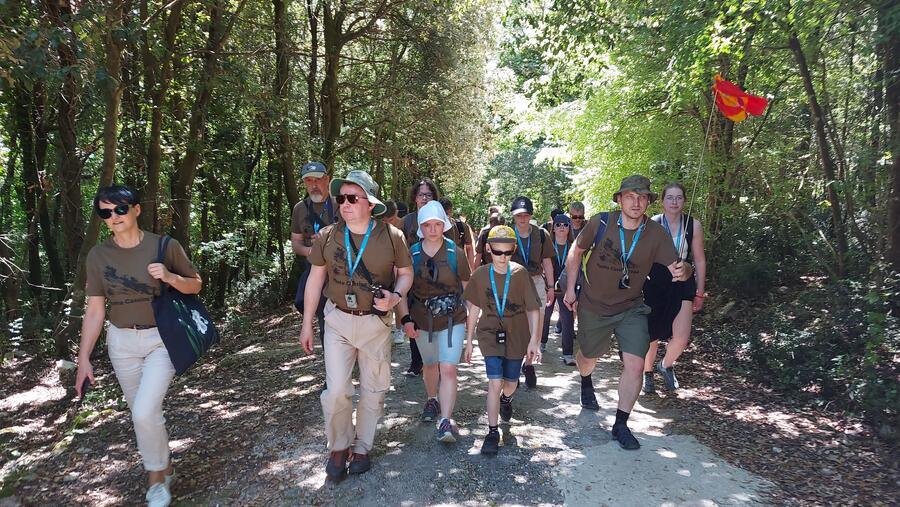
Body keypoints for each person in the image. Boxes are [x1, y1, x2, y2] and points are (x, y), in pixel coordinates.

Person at [75, 185, 202, 507]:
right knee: (141, 414)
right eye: (105, 212)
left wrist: (170, 277)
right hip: (121, 341)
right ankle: (166, 466)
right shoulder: (98, 256)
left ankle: (156, 480)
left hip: (161, 338)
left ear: (136, 209)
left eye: (119, 209)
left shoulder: (164, 246)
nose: (113, 217)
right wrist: (84, 358)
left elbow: (196, 284)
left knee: (145, 410)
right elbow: (94, 310)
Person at [561, 175, 692, 450]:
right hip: (594, 305)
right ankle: (586, 379)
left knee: (635, 363)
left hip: (631, 307)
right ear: (619, 199)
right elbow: (576, 250)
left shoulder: (655, 234)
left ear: (648, 202)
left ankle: (621, 424)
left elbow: (678, 266)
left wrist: (684, 270)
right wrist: (571, 288)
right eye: (631, 196)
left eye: (642, 197)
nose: (637, 202)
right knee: (588, 357)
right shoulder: (602, 222)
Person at [299, 170, 413, 480]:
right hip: (336, 320)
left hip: (374, 323)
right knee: (336, 390)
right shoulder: (328, 235)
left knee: (373, 389)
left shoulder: (392, 237)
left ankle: (362, 446)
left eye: (352, 198)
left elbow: (405, 273)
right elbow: (314, 280)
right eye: (341, 198)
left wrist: (395, 296)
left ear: (370, 203)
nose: (344, 204)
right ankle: (339, 445)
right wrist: (307, 323)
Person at [395, 201, 471, 443]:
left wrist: (471, 322)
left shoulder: (455, 253)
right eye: (428, 225)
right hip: (422, 319)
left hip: (453, 318)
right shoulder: (412, 254)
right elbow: (402, 290)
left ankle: (446, 420)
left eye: (438, 224)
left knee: (448, 367)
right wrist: (405, 319)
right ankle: (431, 399)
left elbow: (467, 289)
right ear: (421, 227)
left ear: (444, 225)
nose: (433, 229)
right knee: (429, 364)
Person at [462, 225, 541, 455]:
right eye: (498, 252)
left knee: (510, 382)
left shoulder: (520, 274)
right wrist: (469, 341)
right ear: (488, 249)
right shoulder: (480, 275)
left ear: (514, 250)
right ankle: (492, 431)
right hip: (489, 335)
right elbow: (474, 309)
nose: (503, 258)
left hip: (517, 335)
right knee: (494, 382)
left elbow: (533, 309)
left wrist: (534, 340)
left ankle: (507, 399)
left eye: (508, 253)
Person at [642, 183, 707, 393]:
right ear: (662, 201)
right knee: (651, 335)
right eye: (670, 198)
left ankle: (666, 365)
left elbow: (699, 259)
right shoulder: (653, 223)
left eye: (679, 198)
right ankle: (647, 373)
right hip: (656, 282)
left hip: (683, 280)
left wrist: (700, 291)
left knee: (681, 337)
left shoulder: (693, 225)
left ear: (684, 201)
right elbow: (644, 258)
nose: (674, 202)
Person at [291, 161, 338, 346]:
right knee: (323, 321)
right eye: (308, 181)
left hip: (340, 271)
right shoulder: (300, 208)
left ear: (327, 180)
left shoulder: (341, 203)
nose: (313, 185)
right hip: (315, 272)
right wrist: (311, 251)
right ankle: (332, 363)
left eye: (317, 180)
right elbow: (296, 243)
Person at [509, 196, 554, 388]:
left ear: (531, 215)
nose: (522, 218)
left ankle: (528, 364)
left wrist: (551, 286)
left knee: (535, 325)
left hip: (535, 281)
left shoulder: (541, 234)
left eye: (526, 214)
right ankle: (514, 366)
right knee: (515, 326)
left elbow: (547, 262)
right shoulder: (507, 234)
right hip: (513, 281)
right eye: (519, 215)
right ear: (513, 216)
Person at [399, 178, 441, 377]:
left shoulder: (441, 218)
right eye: (421, 195)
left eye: (429, 195)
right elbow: (397, 250)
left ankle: (437, 361)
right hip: (412, 279)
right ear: (414, 198)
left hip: (438, 278)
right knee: (414, 320)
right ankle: (417, 362)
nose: (425, 198)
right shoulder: (406, 221)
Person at [542, 214, 576, 365]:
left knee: (567, 319)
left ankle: (568, 354)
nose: (562, 227)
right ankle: (541, 343)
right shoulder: (547, 246)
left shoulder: (574, 247)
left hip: (566, 288)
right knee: (544, 316)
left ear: (569, 228)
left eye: (565, 224)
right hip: (548, 287)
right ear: (553, 229)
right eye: (558, 225)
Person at [439, 197, 476, 271]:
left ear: (451, 212)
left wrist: (471, 271)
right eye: (441, 214)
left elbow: (469, 248)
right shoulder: (433, 228)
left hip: (458, 269)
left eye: (446, 214)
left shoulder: (461, 227)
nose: (445, 217)